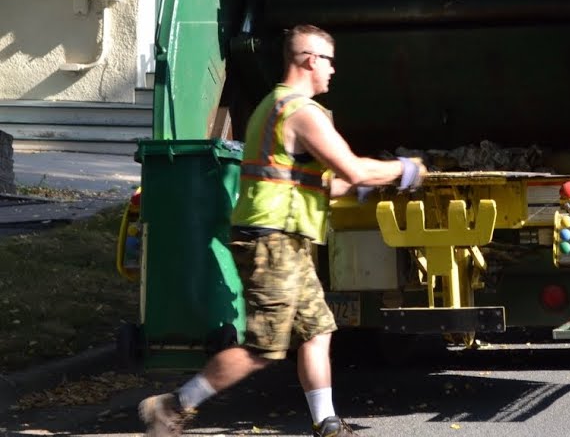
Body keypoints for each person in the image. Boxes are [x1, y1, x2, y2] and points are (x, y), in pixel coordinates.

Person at [139, 25, 427, 437]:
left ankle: (326, 423)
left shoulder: (272, 105)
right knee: (264, 347)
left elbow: (320, 180)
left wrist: (363, 184)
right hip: (272, 241)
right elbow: (353, 168)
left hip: (286, 239)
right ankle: (171, 406)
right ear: (310, 60)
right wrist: (406, 170)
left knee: (317, 329)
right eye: (329, 61)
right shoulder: (301, 112)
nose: (332, 71)